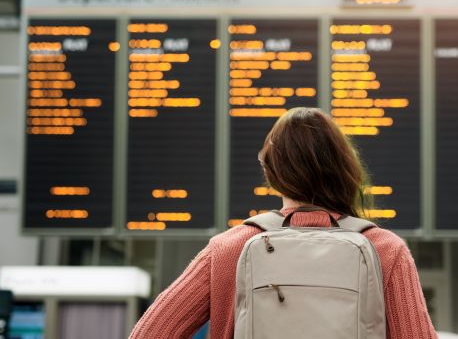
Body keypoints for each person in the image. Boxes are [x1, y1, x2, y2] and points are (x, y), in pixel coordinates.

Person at [129, 107, 437, 338]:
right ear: (346, 168)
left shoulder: (228, 248)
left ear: (272, 173)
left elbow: (149, 334)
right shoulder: (385, 250)